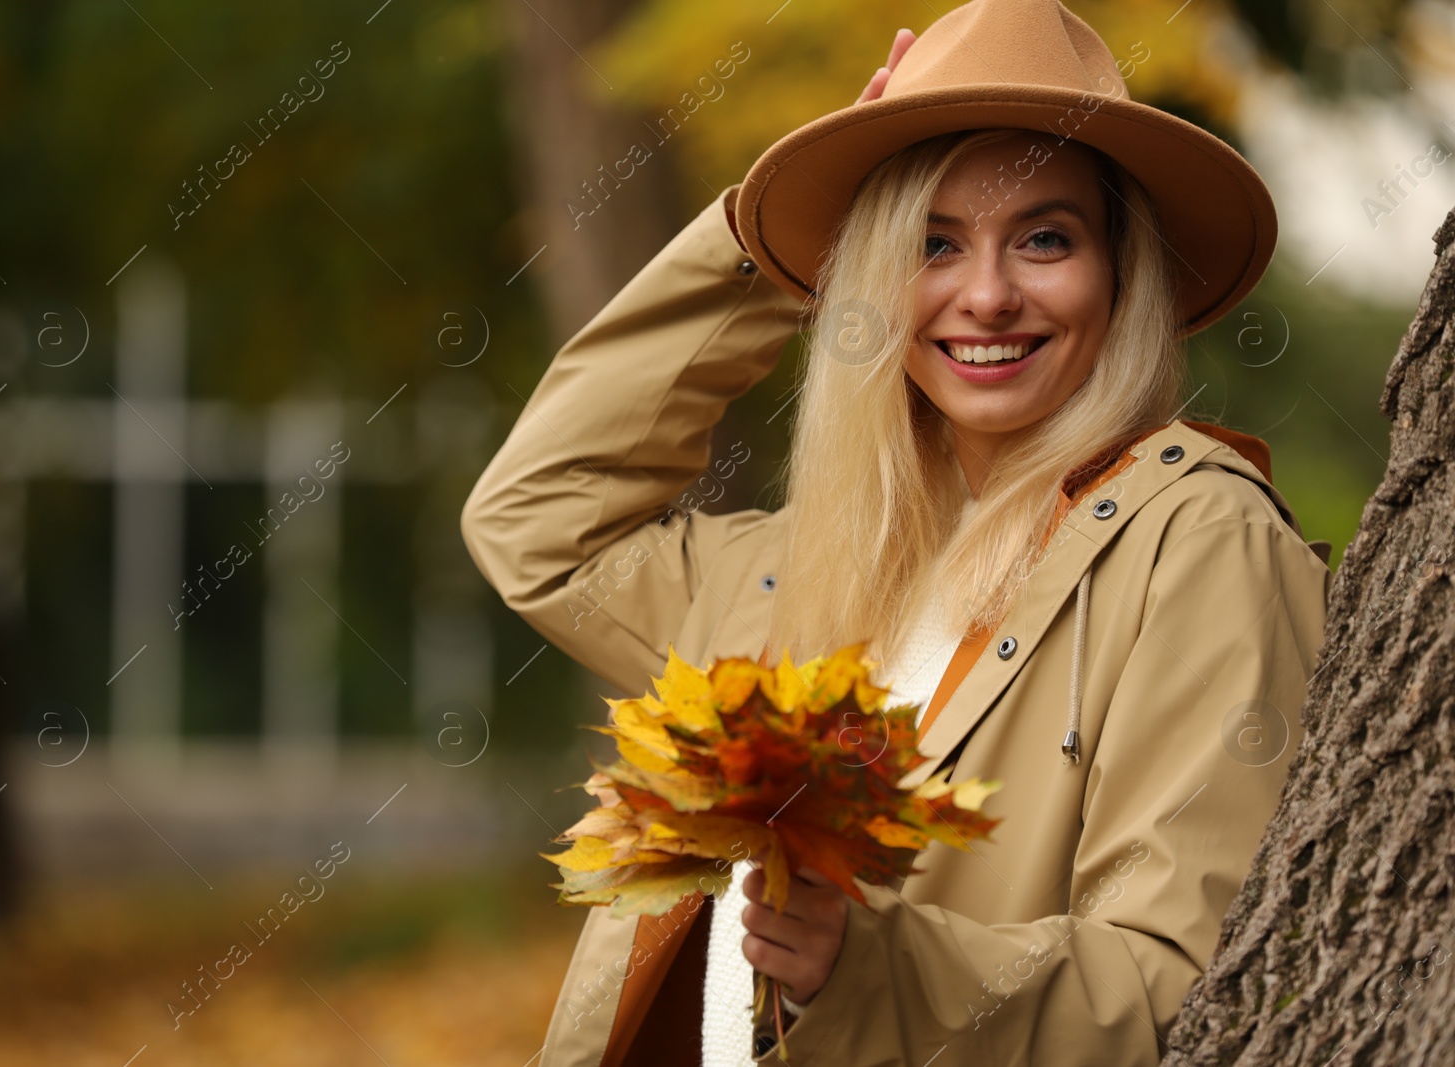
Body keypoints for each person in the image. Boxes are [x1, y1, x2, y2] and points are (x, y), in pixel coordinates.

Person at [460, 0, 1333, 1063]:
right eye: (930, 242)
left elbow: (1187, 988)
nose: (986, 294)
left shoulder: (1196, 542)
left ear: (1120, 271)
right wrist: (760, 246)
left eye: (1045, 238)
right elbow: (540, 522)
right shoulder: (805, 562)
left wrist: (862, 962)